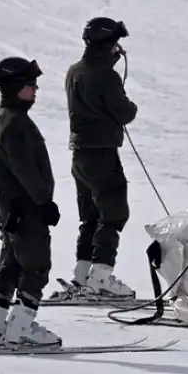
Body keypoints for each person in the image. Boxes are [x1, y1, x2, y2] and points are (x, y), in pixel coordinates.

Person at [0, 57, 61, 348]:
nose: (36, 89)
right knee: (36, 266)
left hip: (12, 206)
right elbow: (23, 167)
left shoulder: (6, 116)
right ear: (14, 86)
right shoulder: (16, 122)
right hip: (24, 206)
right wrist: (43, 201)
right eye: (30, 84)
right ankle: (21, 328)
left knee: (11, 263)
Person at [65, 16, 138, 301]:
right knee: (113, 214)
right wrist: (129, 104)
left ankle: (82, 275)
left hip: (79, 154)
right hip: (102, 153)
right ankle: (102, 278)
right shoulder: (105, 75)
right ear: (108, 43)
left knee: (90, 216)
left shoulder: (75, 71)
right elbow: (124, 112)